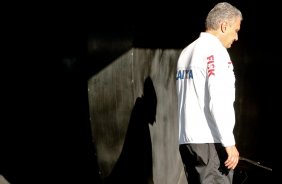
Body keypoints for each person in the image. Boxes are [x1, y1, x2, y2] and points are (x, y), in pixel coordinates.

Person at [176, 2, 242, 184]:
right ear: (224, 26)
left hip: (188, 142)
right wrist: (229, 142)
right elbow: (218, 100)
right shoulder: (217, 52)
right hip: (210, 142)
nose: (236, 37)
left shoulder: (186, 52)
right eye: (236, 30)